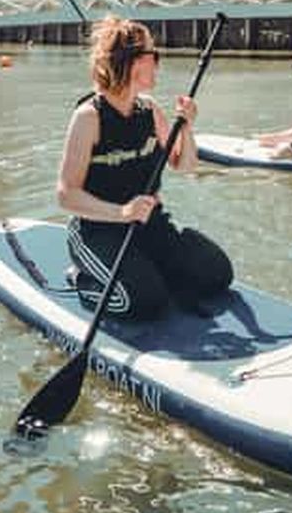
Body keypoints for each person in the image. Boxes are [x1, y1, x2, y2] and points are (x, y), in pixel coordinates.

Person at [58, 16, 233, 321]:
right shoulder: (89, 117)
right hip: (98, 231)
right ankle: (83, 279)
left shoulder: (150, 110)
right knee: (140, 303)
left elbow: (186, 166)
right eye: (155, 55)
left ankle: (153, 272)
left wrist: (188, 129)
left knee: (217, 274)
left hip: (149, 228)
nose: (158, 64)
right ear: (133, 62)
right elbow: (65, 195)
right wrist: (121, 212)